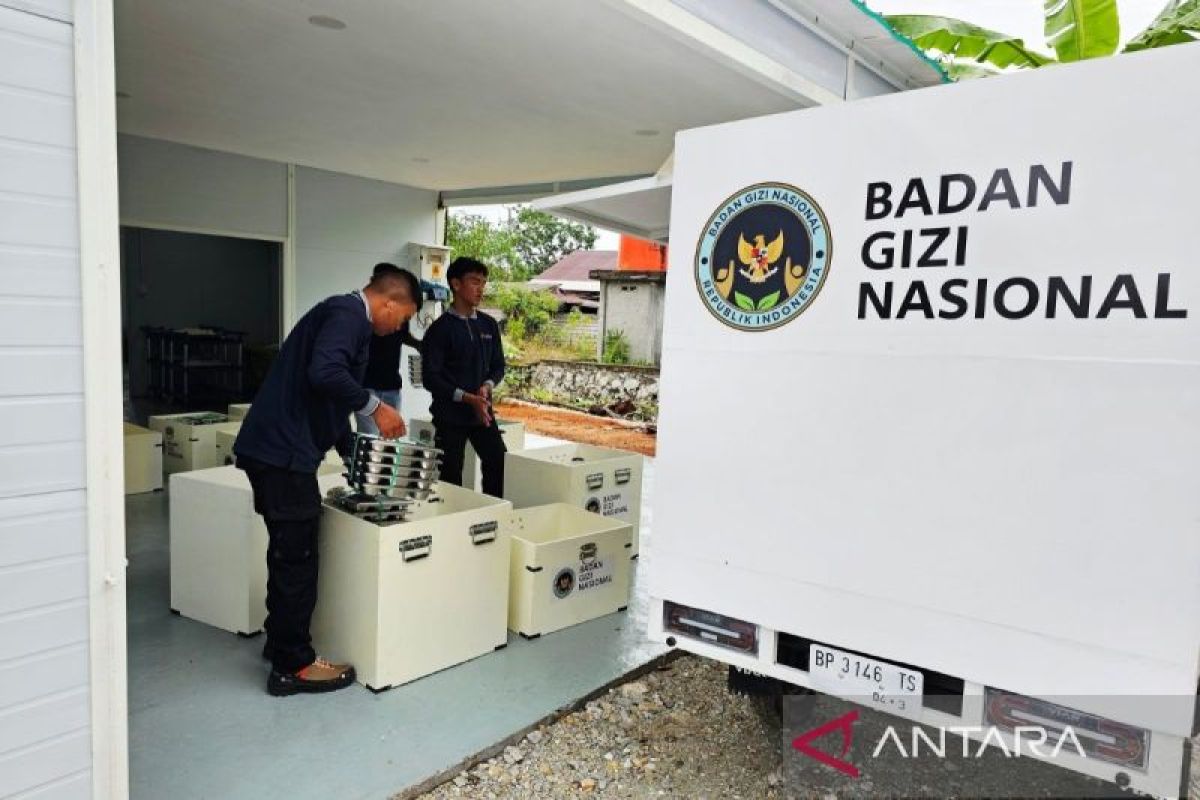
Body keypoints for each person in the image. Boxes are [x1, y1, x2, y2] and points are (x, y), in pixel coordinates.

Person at [233, 265, 415, 696]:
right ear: (389, 302)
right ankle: (292, 666)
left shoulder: (344, 317)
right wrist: (376, 408)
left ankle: (280, 641)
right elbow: (326, 374)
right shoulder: (348, 316)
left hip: (276, 452)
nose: (398, 328)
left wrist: (349, 448)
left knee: (287, 553)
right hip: (283, 457)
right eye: (403, 318)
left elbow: (327, 395)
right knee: (297, 558)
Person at [420, 256, 507, 497]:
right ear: (456, 285)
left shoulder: (489, 325)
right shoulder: (439, 331)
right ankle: (452, 524)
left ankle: (491, 513)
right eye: (475, 282)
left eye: (483, 283)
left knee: (499, 463)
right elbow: (431, 378)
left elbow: (499, 366)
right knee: (450, 477)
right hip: (450, 417)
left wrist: (487, 386)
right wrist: (467, 397)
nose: (481, 289)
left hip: (482, 414)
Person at [357, 263, 423, 435]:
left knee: (390, 439)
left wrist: (420, 345)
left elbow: (403, 335)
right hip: (367, 384)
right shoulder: (359, 317)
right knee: (369, 438)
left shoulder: (400, 314)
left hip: (391, 383)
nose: (396, 326)